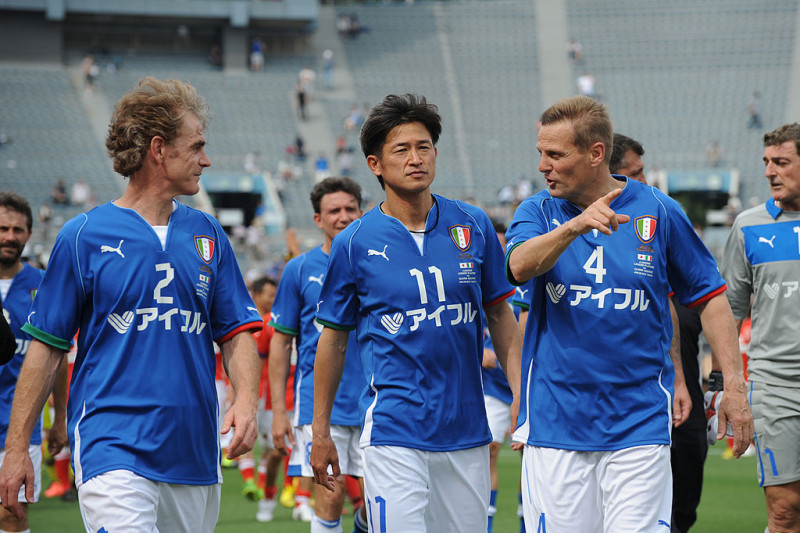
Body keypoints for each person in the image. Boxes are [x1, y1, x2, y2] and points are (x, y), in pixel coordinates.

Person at [0, 77, 263, 532]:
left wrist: (246, 400)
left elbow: (236, 332)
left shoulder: (209, 235)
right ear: (159, 149)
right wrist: (17, 447)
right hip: (111, 443)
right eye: (196, 146)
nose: (206, 159)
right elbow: (46, 348)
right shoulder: (83, 236)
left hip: (194, 447)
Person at [505, 95, 753, 533]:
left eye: (555, 155)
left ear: (595, 153)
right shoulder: (537, 211)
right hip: (555, 425)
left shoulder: (658, 210)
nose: (543, 166)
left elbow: (711, 298)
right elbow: (519, 266)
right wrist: (576, 225)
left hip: (639, 423)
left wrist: (733, 387)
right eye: (541, 153)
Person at [310, 94, 522, 532]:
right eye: (401, 149)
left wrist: (522, 392)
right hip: (394, 428)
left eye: (423, 147)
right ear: (375, 164)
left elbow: (501, 317)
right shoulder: (354, 242)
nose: (415, 158)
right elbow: (333, 340)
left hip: (467, 428)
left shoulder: (474, 224)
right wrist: (320, 430)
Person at [610, 133, 709, 532]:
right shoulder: (608, 265)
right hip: (634, 410)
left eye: (643, 172)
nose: (644, 183)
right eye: (634, 174)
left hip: (686, 407)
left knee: (682, 515)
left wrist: (719, 383)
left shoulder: (666, 229)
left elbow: (719, 303)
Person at [269, 176, 369, 532]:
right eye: (334, 210)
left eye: (350, 209)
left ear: (361, 213)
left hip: (374, 400)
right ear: (318, 219)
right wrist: (279, 411)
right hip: (319, 405)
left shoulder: (379, 264)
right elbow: (281, 343)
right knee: (330, 494)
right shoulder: (298, 269)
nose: (343, 216)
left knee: (379, 501)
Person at [721, 122, 800, 533]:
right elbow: (728, 313)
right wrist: (723, 384)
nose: (770, 172)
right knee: (784, 511)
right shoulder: (748, 225)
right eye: (767, 162)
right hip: (775, 386)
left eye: (782, 162)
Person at [0, 192, 67, 533]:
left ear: (29, 233)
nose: (10, 236)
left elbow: (57, 358)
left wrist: (60, 419)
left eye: (17, 230)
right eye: (3, 228)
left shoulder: (43, 286)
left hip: (19, 428)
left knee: (11, 517)